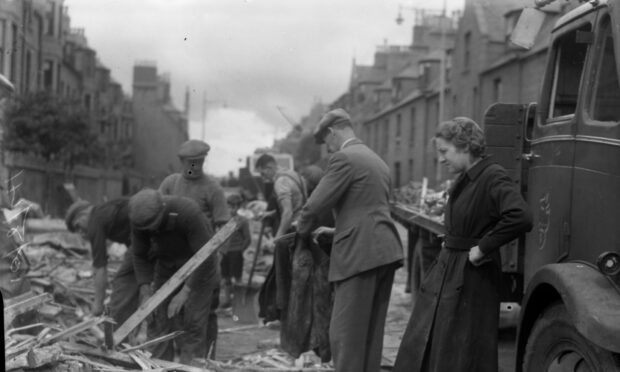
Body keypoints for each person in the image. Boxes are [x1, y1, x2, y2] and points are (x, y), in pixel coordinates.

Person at [393, 117, 533, 372]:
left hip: (471, 276)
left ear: (465, 145)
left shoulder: (492, 176)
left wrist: (483, 247)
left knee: (462, 351)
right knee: (437, 343)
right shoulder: (468, 177)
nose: (441, 159)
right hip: (452, 268)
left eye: (444, 151)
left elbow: (521, 216)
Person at [296, 108, 404, 372]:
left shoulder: (344, 158)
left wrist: (299, 230)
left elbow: (313, 206)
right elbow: (368, 208)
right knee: (369, 334)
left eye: (327, 142)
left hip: (360, 255)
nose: (328, 149)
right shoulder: (376, 159)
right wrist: (336, 231)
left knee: (344, 335)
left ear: (333, 132)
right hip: (384, 251)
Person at [129, 189, 218, 364]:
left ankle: (191, 366)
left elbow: (206, 255)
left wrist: (185, 292)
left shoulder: (188, 212)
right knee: (156, 319)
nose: (151, 230)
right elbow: (139, 255)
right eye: (146, 228)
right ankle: (158, 366)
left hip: (200, 268)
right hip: (167, 267)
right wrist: (145, 292)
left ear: (162, 208)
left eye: (153, 225)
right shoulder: (138, 219)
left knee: (192, 324)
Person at [159, 139, 229, 358]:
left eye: (198, 163)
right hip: (174, 260)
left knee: (201, 317)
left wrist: (217, 260)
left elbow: (224, 229)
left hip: (202, 262)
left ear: (204, 162)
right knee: (174, 315)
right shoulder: (170, 184)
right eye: (190, 163)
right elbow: (154, 211)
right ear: (181, 162)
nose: (193, 167)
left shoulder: (213, 189)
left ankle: (204, 360)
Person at [65, 198, 138, 328]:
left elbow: (100, 268)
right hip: (146, 235)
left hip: (145, 235)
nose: (81, 233)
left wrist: (98, 305)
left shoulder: (95, 220)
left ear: (84, 213)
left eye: (78, 226)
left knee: (122, 283)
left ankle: (116, 333)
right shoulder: (105, 212)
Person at [254, 153, 306, 239]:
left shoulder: (280, 182)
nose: (263, 178)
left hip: (293, 230)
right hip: (304, 225)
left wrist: (277, 238)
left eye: (263, 174)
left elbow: (288, 213)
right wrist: (271, 213)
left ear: (269, 167)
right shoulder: (294, 174)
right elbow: (297, 205)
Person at [220, 193, 251, 307]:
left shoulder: (242, 221)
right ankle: (227, 301)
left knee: (237, 278)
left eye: (234, 207)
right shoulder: (222, 220)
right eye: (229, 207)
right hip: (224, 253)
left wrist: (240, 250)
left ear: (239, 207)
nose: (232, 210)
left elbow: (247, 239)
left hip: (236, 252)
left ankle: (238, 301)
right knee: (225, 277)